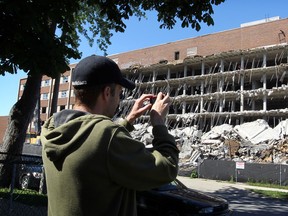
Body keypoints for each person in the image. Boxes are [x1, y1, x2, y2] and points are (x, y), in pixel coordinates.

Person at [41, 55, 179, 216]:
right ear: (107, 92)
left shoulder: (52, 127)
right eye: (119, 94)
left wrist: (128, 120)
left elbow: (93, 143)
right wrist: (159, 124)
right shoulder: (108, 136)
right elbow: (167, 169)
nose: (119, 101)